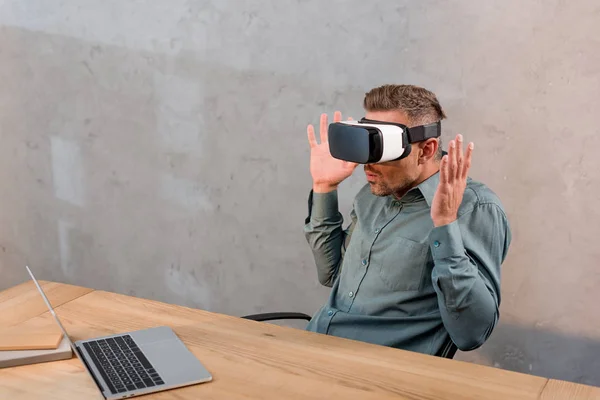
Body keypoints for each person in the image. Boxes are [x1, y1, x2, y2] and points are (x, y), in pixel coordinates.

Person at [303, 84, 511, 356]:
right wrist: (323, 187)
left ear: (425, 150)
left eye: (380, 149)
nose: (367, 164)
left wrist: (445, 226)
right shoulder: (375, 191)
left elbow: (472, 334)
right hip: (318, 345)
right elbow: (332, 275)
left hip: (379, 372)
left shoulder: (474, 208)